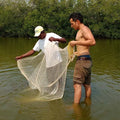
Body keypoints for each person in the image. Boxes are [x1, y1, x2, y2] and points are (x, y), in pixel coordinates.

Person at [69, 12, 96, 104]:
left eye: (72, 23)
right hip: (86, 59)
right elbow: (85, 46)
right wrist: (76, 53)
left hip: (82, 61)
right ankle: (88, 104)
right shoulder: (82, 30)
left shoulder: (84, 29)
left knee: (77, 85)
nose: (71, 26)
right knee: (86, 85)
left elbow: (92, 42)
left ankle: (75, 108)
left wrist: (76, 43)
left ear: (77, 21)